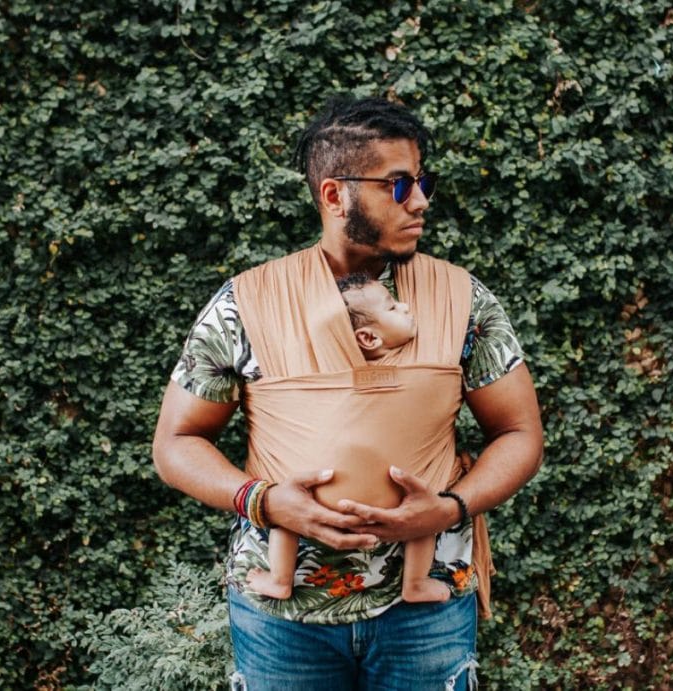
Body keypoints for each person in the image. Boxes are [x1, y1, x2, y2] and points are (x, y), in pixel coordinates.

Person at [152, 95, 543, 690]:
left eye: (422, 180)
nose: (420, 201)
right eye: (399, 184)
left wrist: (450, 509)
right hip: (282, 619)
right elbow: (176, 443)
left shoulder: (463, 299)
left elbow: (519, 433)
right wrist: (262, 501)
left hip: (426, 612)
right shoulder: (246, 303)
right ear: (335, 195)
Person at [245, 273, 452, 604]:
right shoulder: (416, 363)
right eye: (392, 306)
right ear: (368, 338)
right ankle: (416, 582)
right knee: (425, 514)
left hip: (321, 496)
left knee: (286, 506)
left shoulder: (315, 368)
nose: (406, 306)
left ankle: (280, 579)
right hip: (396, 496)